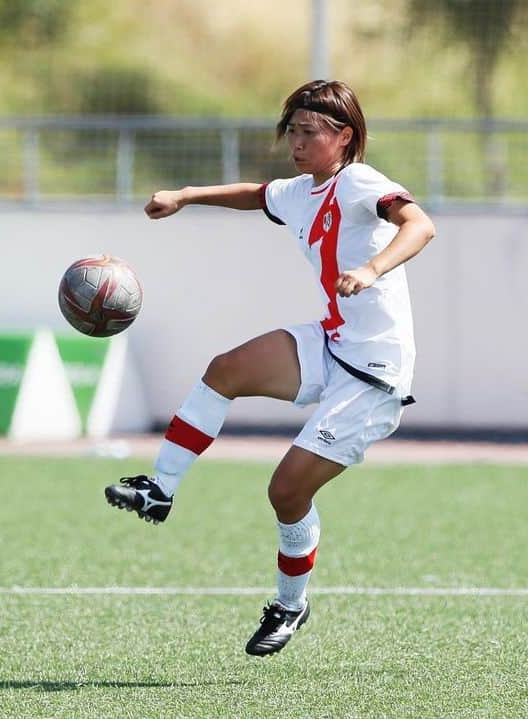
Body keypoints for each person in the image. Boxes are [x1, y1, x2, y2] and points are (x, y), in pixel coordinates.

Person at [104, 80, 435, 656]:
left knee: (285, 492)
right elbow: (258, 194)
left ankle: (289, 603)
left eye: (310, 133)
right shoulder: (303, 191)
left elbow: (420, 225)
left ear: (344, 138)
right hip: (333, 344)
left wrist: (374, 269)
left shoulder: (359, 180)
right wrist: (185, 195)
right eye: (293, 132)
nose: (297, 144)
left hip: (375, 374)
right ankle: (160, 488)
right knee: (225, 370)